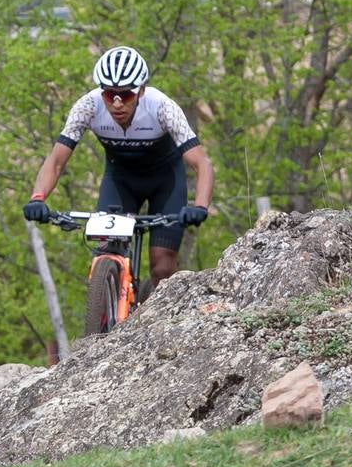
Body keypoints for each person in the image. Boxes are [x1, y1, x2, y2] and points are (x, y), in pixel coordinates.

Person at [23, 45, 214, 287]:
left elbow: (202, 164)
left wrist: (200, 206)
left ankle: (155, 314)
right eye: (108, 94)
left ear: (141, 90)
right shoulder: (88, 106)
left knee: (162, 265)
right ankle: (107, 306)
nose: (116, 104)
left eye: (125, 95)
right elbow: (56, 161)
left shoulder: (162, 107)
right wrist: (37, 197)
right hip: (120, 182)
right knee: (105, 251)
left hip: (165, 182)